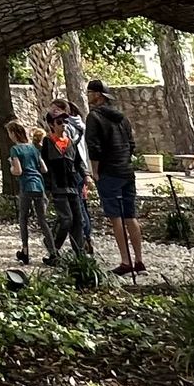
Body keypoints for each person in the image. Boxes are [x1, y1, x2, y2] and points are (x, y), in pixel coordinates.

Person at [84, 79, 145, 274]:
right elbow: (131, 144)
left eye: (90, 92)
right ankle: (139, 260)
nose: (87, 96)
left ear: (98, 95)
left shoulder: (94, 117)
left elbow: (94, 146)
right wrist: (125, 160)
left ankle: (125, 261)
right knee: (130, 215)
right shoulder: (122, 118)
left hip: (109, 172)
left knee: (116, 218)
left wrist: (95, 171)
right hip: (126, 170)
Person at [38, 107, 92, 262]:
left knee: (78, 220)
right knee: (66, 219)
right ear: (51, 125)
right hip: (58, 187)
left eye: (65, 122)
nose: (63, 125)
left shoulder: (70, 143)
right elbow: (43, 167)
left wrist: (86, 176)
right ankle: (53, 248)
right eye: (59, 122)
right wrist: (46, 189)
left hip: (73, 186)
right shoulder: (48, 142)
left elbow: (78, 162)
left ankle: (79, 254)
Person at [5, 123, 53, 263]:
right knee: (42, 220)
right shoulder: (33, 148)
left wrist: (11, 167)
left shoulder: (15, 150)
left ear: (14, 133)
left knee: (23, 219)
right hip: (39, 185)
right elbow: (43, 168)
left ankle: (25, 250)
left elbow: (18, 171)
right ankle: (53, 251)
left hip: (26, 185)